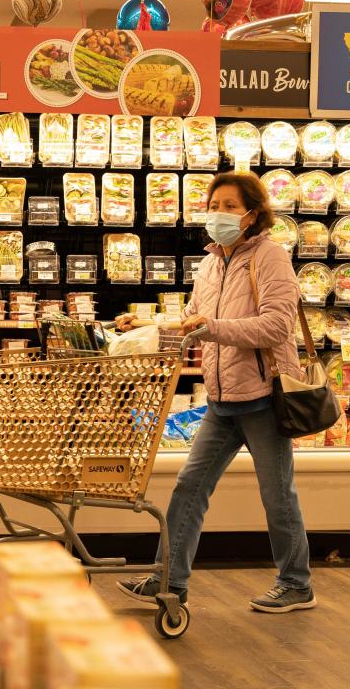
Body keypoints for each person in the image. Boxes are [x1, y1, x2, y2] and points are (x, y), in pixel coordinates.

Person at [115, 171, 316, 613]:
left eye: (229, 206)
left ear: (252, 214)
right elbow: (192, 319)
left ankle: (297, 582)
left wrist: (213, 329)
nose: (219, 213)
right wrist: (146, 324)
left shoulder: (271, 257)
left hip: (265, 395)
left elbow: (276, 325)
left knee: (277, 493)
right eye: (215, 205)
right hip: (222, 399)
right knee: (189, 487)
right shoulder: (208, 263)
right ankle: (169, 580)